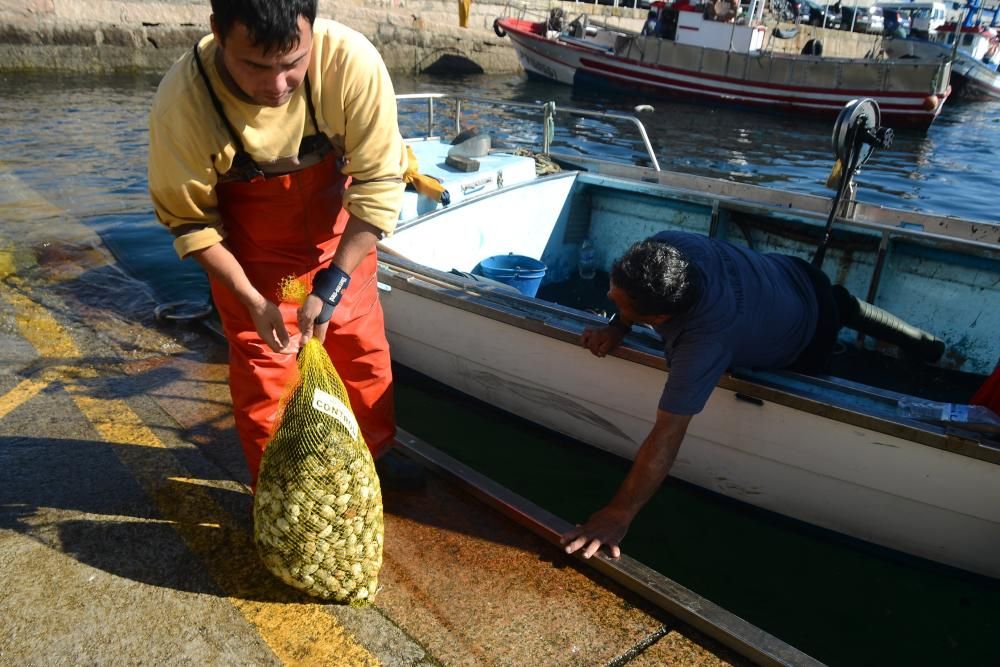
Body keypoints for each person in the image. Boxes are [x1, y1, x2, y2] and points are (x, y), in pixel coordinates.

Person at [147, 0, 407, 489]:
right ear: (218, 35)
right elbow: (188, 221)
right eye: (255, 66)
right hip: (252, 262)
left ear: (312, 33)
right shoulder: (183, 101)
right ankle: (280, 492)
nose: (277, 85)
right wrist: (249, 298)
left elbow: (379, 185)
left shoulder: (348, 61)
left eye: (293, 63)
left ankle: (374, 461)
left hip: (340, 246)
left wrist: (334, 284)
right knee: (268, 380)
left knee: (362, 356)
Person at [562, 230, 841, 558]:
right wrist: (618, 326)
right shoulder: (668, 249)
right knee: (847, 303)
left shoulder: (703, 344)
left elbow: (668, 432)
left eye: (617, 298)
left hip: (811, 332)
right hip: (788, 273)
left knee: (847, 317)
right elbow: (634, 291)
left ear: (660, 319)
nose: (608, 292)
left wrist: (619, 513)